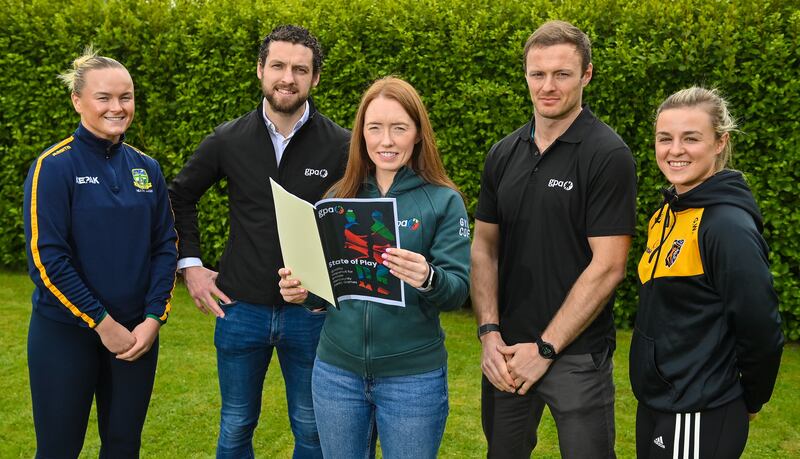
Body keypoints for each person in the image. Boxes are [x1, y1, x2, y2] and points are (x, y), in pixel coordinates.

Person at [168, 25, 349, 458]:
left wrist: (331, 287)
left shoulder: (342, 145)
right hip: (239, 309)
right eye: (278, 66)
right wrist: (190, 266)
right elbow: (179, 196)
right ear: (260, 70)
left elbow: (357, 223)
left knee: (312, 428)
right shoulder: (227, 139)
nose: (288, 78)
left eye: (300, 69)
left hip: (311, 314)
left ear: (316, 78)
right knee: (235, 425)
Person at [278, 76, 471, 459]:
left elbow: (457, 290)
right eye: (375, 128)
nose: (386, 141)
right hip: (336, 373)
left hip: (412, 379)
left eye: (399, 128)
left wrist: (428, 277)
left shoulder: (443, 201)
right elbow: (327, 288)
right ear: (361, 135)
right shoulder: (338, 197)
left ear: (418, 133)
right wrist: (303, 292)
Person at [471, 20, 637, 458]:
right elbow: (484, 247)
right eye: (537, 73)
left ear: (586, 75)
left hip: (577, 357)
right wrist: (488, 332)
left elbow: (609, 265)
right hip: (507, 354)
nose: (548, 86)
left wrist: (545, 348)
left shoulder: (608, 155)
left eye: (562, 74)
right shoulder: (503, 153)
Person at [22, 47, 177, 458]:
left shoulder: (147, 168)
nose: (117, 107)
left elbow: (165, 246)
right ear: (78, 101)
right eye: (104, 97)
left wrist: (153, 318)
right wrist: (102, 323)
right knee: (58, 449)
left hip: (136, 337)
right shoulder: (53, 167)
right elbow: (47, 260)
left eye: (125, 97)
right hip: (65, 335)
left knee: (123, 446)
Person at [631, 87, 784, 458]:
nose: (675, 150)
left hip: (698, 408)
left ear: (720, 143)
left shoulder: (727, 226)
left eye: (691, 138)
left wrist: (752, 398)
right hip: (658, 402)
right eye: (665, 138)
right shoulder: (666, 214)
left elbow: (760, 328)